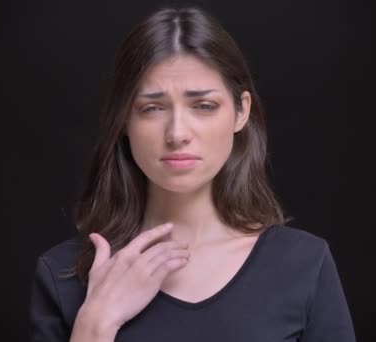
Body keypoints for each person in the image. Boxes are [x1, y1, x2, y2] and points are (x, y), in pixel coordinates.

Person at [29, 6, 356, 342]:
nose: (177, 133)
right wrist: (94, 325)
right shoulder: (64, 275)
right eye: (152, 108)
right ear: (123, 120)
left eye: (203, 106)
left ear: (241, 111)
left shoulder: (303, 265)